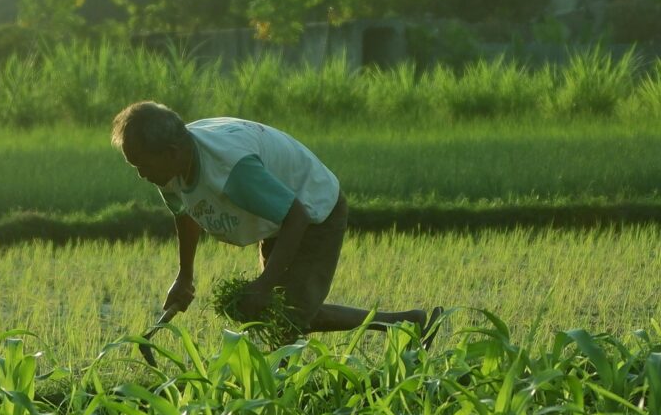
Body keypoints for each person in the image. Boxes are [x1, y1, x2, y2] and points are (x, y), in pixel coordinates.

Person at [112, 101, 440, 338]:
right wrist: (185, 275)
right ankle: (406, 323)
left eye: (143, 165)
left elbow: (296, 217)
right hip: (275, 215)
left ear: (170, 152)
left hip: (312, 209)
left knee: (284, 317)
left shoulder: (232, 169)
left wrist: (263, 284)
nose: (141, 175)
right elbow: (184, 213)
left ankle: (276, 398)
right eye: (133, 166)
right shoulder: (169, 170)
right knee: (286, 311)